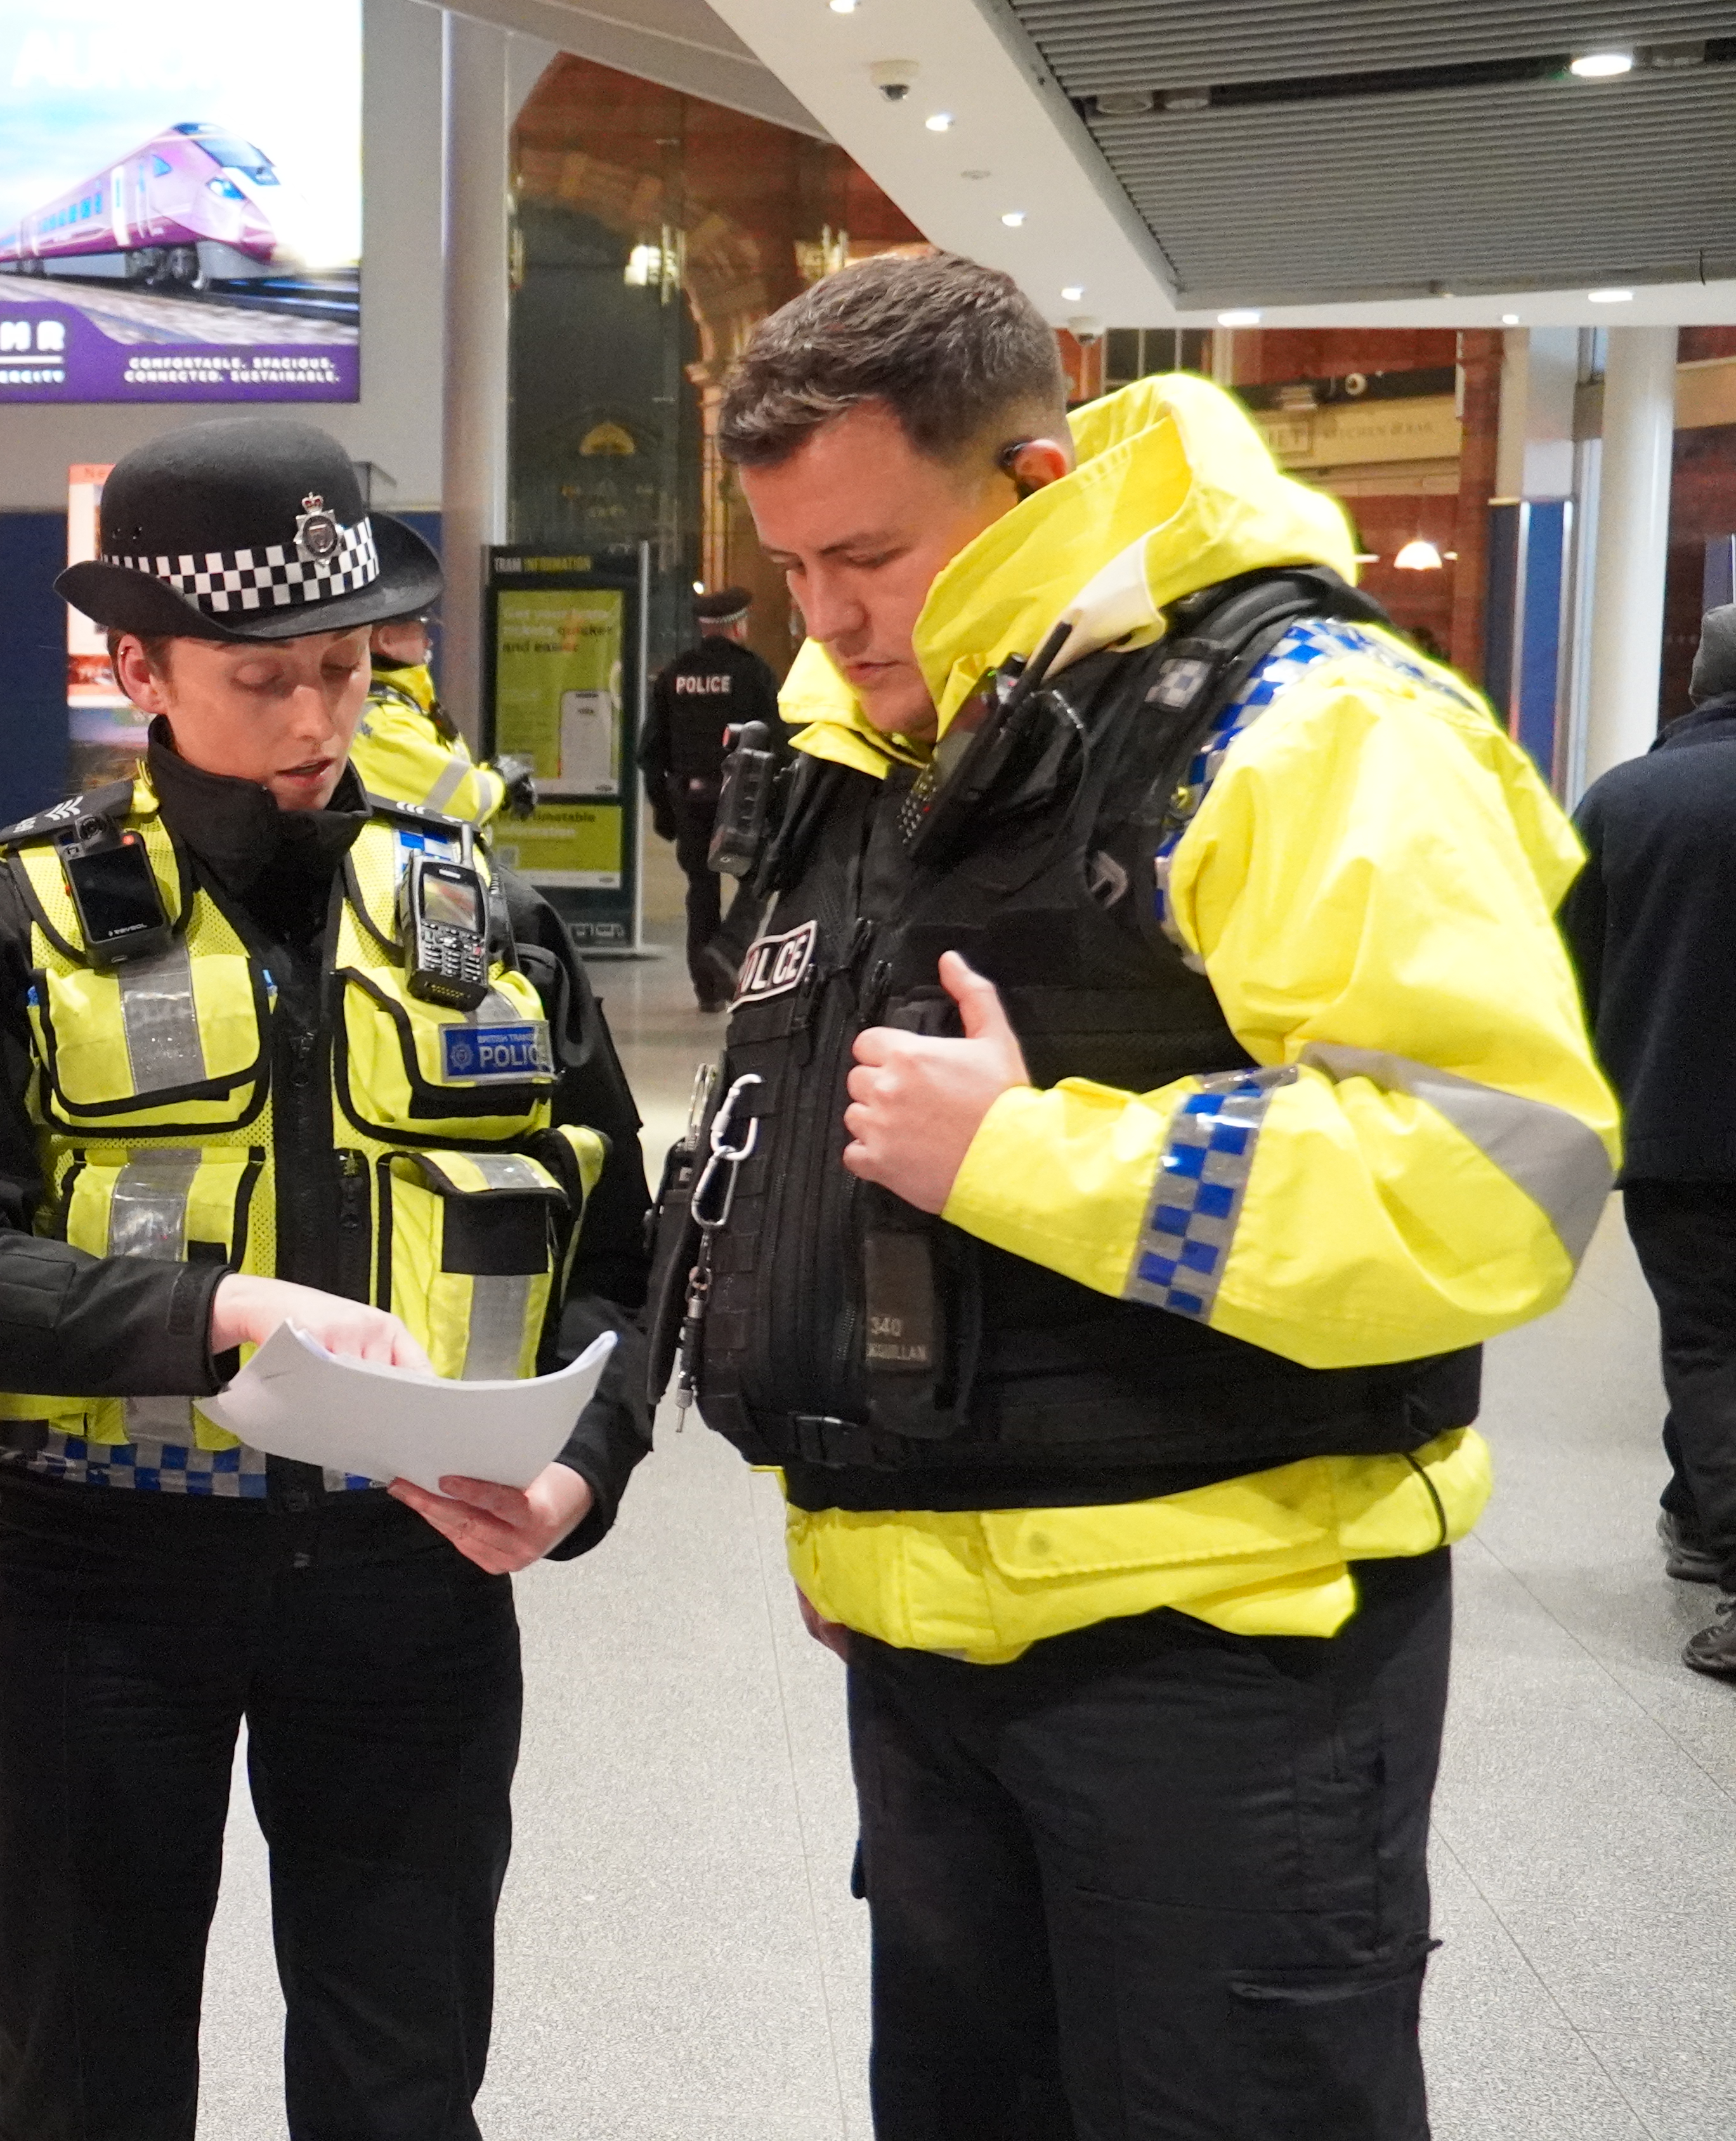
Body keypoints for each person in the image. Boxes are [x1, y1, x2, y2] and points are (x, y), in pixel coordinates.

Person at [674, 252, 1614, 2138]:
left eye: (864, 554)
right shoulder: (881, 750)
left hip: (1224, 1663)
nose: (827, 615)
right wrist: (850, 1507)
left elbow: (1489, 1178)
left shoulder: (1313, 724)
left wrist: (1031, 1158)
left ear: (1032, 482)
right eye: (786, 566)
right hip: (923, 1649)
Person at [0, 417, 653, 2141]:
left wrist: (580, 1474)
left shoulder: (490, 921)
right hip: (99, 1585)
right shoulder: (16, 921)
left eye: (345, 673)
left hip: (409, 1588)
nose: (313, 726)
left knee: (401, 2072)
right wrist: (213, 1311)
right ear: (137, 664)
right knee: (89, 2068)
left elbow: (622, 1259)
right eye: (261, 681)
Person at [1563, 601, 1736, 1674]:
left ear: (1696, 682)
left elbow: (1564, 981)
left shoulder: (1627, 802)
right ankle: (1692, 1499)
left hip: (1677, 1129)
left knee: (1711, 1339)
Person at [639, 584, 779, 1009]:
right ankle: (729, 950)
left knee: (701, 888)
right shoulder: (754, 672)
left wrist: (664, 810)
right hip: (742, 802)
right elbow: (776, 741)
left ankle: (708, 992)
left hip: (689, 798)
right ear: (738, 626)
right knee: (757, 879)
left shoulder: (674, 674)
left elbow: (651, 751)